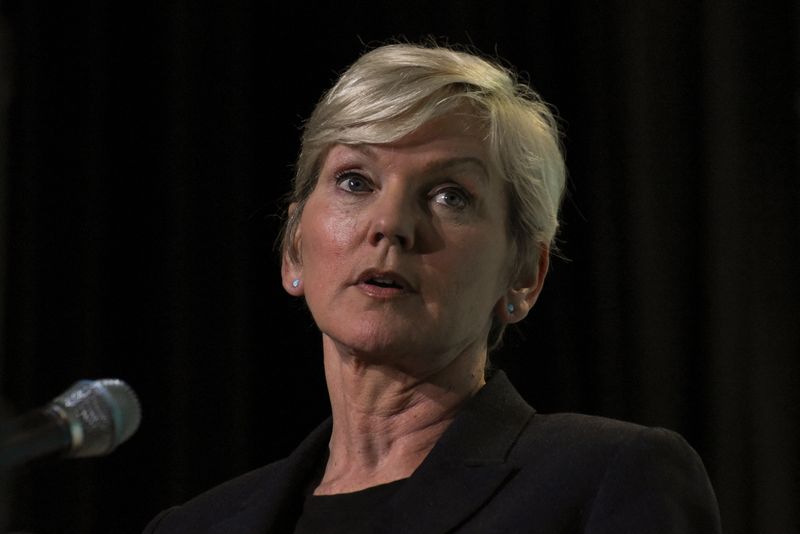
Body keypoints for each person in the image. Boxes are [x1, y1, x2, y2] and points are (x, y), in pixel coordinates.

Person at [143, 42, 722, 533]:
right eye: (354, 180)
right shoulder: (195, 524)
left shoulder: (605, 479)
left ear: (524, 275)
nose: (390, 223)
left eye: (451, 195)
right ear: (294, 248)